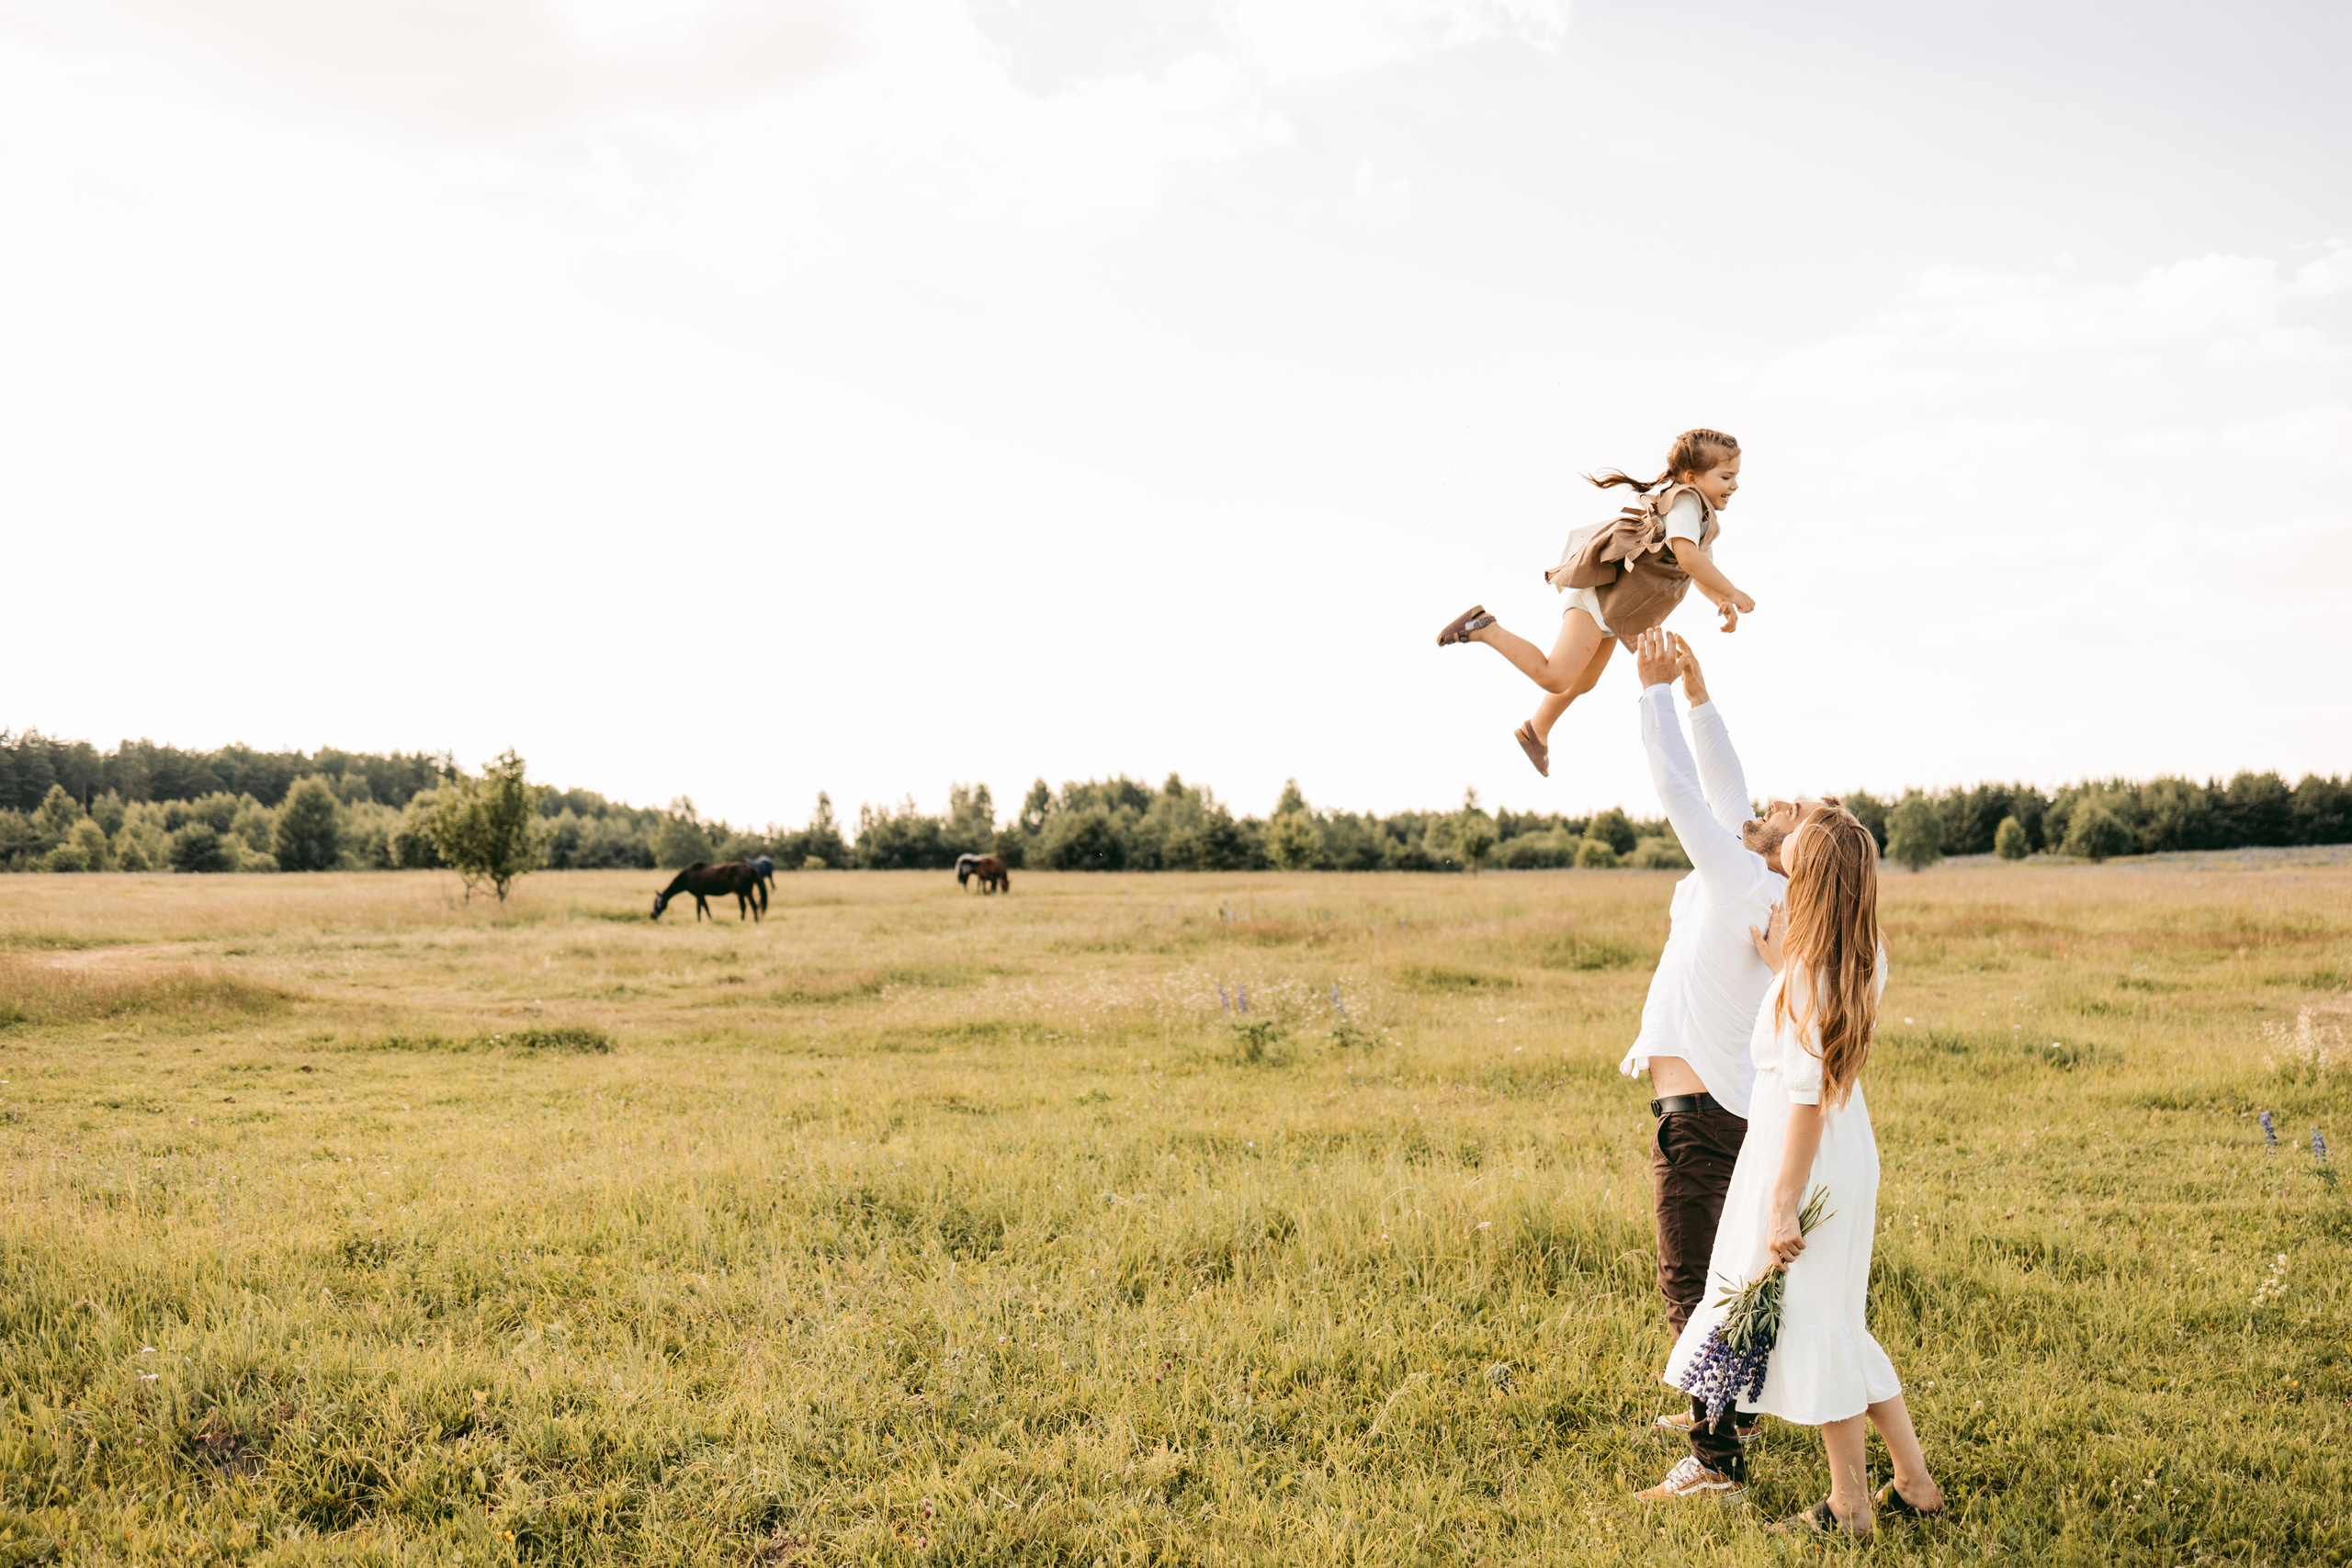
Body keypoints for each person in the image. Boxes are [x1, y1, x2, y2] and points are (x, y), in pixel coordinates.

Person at [1657, 802, 1946, 1536]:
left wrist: (1783, 1200)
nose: (1781, 856)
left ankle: (1849, 1505)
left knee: (1818, 1326)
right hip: (1843, 1151)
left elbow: (1807, 1093)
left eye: (1797, 855)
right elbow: (1818, 1032)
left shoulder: (1812, 973)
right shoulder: (1857, 952)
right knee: (1839, 1321)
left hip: (1802, 1155)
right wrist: (1785, 965)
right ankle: (1911, 1481)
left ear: (1815, 881)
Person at [1607, 627, 1800, 1501]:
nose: (1771, 804)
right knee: (1723, 1276)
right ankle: (1718, 1398)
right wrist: (1697, 687)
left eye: (1787, 813)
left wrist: (1649, 692)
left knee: (1694, 1285)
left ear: (1786, 854)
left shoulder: (1745, 878)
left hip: (1704, 1121)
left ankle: (1715, 1459)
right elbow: (1724, 785)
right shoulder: (1751, 872)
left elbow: (1682, 792)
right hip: (1716, 1111)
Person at [1434, 429, 1758, 778]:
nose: (1734, 485)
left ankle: (1535, 733)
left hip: (1614, 611)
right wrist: (1734, 592)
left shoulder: (1701, 516)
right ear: (1693, 478)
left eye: (1736, 476)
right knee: (1556, 677)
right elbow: (1689, 558)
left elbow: (1697, 570)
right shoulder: (1687, 502)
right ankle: (1485, 627)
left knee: (1584, 681)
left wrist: (1720, 599)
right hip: (1599, 599)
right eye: (1726, 477)